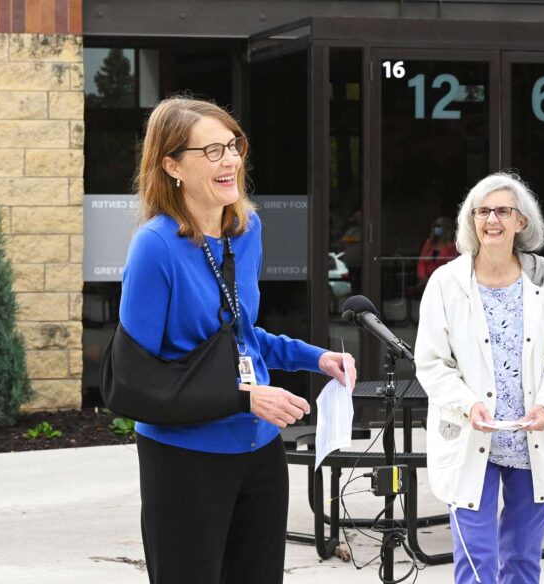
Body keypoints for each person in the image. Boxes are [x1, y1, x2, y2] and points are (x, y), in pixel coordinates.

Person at [121, 96, 356, 583]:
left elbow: (240, 335)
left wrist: (317, 358)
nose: (230, 160)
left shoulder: (246, 230)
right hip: (185, 458)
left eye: (233, 145)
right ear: (172, 166)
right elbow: (135, 378)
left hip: (260, 451)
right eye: (211, 151)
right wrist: (244, 397)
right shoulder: (155, 247)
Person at [415, 172, 544, 584]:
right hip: (473, 434)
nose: (493, 219)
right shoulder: (446, 282)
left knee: (523, 561)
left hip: (533, 437)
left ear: (521, 222)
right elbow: (432, 363)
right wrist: (466, 404)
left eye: (503, 211)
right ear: (471, 221)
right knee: (476, 563)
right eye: (483, 211)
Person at [417, 215, 458, 285]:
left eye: (439, 226)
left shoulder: (452, 245)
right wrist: (422, 277)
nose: (436, 228)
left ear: (446, 228)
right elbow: (422, 262)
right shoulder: (429, 243)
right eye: (435, 226)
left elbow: (454, 262)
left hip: (446, 279)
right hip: (428, 278)